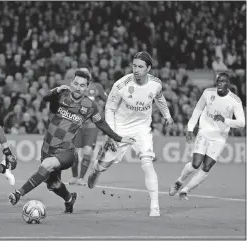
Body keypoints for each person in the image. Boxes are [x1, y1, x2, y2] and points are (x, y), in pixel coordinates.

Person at [8, 69, 135, 213]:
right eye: (76, 83)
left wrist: (119, 138)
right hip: (47, 149)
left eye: (82, 85)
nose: (78, 87)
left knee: (46, 165)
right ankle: (69, 199)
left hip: (66, 151)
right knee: (53, 185)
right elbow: (45, 99)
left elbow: (101, 124)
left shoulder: (89, 106)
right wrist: (55, 90)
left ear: (86, 87)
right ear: (71, 82)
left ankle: (18, 194)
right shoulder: (60, 95)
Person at [87, 52, 174, 217]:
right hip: (120, 128)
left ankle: (155, 206)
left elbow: (160, 100)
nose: (136, 69)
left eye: (140, 66)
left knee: (147, 162)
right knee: (104, 165)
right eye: (134, 65)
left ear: (148, 68)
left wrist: (167, 116)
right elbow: (110, 108)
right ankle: (96, 170)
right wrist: (111, 134)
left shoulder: (156, 84)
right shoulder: (121, 85)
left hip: (142, 129)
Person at [169, 72, 245, 200]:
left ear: (228, 84)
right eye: (218, 81)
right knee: (196, 163)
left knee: (207, 166)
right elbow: (198, 109)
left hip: (220, 137)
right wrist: (190, 128)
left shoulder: (235, 100)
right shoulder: (208, 93)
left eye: (223, 81)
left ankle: (186, 190)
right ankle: (179, 182)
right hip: (204, 131)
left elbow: (242, 123)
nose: (219, 83)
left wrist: (225, 120)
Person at [70, 67, 108, 186]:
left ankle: (81, 178)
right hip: (77, 123)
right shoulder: (73, 87)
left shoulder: (97, 87)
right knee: (74, 152)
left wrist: (100, 110)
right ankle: (74, 176)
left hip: (91, 125)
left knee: (88, 150)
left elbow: (108, 100)